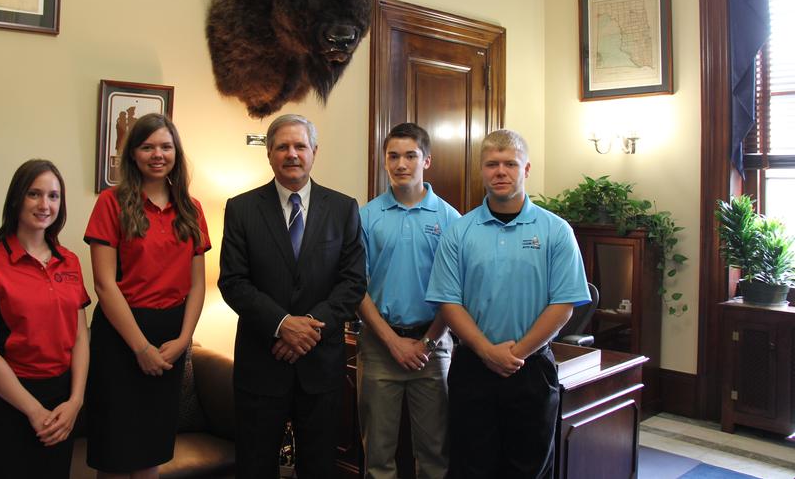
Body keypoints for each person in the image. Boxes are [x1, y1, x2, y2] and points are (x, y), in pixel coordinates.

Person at [425, 129, 591, 479]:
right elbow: (448, 302)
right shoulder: (460, 230)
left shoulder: (555, 230)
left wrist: (515, 355)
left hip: (531, 370)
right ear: (481, 171)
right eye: (492, 164)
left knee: (528, 469)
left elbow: (563, 305)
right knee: (472, 468)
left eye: (510, 164)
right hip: (473, 367)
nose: (500, 171)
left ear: (526, 169)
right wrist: (487, 351)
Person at [218, 113, 367, 479]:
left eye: (300, 145)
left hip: (321, 367)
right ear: (269, 154)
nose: (292, 154)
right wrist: (282, 325)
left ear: (314, 151)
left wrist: (307, 331)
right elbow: (233, 281)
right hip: (261, 364)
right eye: (282, 146)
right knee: (254, 467)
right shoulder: (241, 208)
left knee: (319, 468)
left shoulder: (343, 208)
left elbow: (352, 282)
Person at [84, 113, 210, 479]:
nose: (158, 154)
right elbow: (104, 285)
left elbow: (197, 284)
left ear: (176, 153)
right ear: (133, 154)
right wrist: (140, 348)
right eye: (147, 146)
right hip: (121, 337)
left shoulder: (191, 208)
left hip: (171, 335)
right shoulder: (111, 203)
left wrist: (184, 340)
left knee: (152, 449)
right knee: (116, 452)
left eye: (166, 147)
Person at [0, 159, 90, 479]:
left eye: (54, 196)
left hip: (60, 408)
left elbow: (80, 336)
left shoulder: (70, 261)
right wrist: (33, 412)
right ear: (17, 198)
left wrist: (75, 401)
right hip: (6, 407)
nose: (45, 204)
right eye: (34, 194)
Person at [357, 123, 460, 479]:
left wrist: (427, 342)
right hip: (379, 346)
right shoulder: (366, 217)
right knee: (378, 454)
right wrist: (392, 342)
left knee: (435, 454)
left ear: (426, 161)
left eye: (411, 155)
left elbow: (455, 291)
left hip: (433, 348)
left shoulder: (450, 219)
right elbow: (357, 287)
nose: (402, 164)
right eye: (393, 156)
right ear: (384, 161)